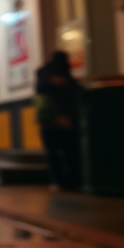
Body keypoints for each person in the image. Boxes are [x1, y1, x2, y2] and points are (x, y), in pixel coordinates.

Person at [34, 51, 81, 190]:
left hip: (47, 121)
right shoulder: (64, 76)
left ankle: (57, 181)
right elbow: (71, 94)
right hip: (64, 119)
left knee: (53, 153)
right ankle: (72, 181)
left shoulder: (42, 74)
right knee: (70, 152)